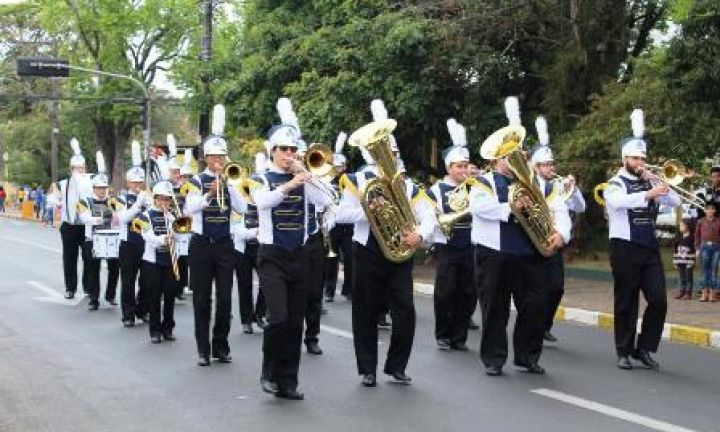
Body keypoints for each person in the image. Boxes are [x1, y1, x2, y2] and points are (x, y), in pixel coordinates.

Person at [335, 99, 437, 388]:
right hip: (367, 251)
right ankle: (367, 368)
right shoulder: (357, 180)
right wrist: (371, 209)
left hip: (401, 253)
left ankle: (397, 366)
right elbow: (342, 215)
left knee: (405, 311)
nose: (389, 158)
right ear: (372, 155)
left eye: (392, 153)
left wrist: (421, 236)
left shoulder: (409, 186)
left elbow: (427, 216)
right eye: (383, 153)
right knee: (365, 311)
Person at [471, 97, 570, 377]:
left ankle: (527, 356)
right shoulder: (483, 182)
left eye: (521, 154)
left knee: (536, 304)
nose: (519, 159)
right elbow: (479, 207)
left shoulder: (540, 184)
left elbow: (559, 209)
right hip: (495, 253)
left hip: (531, 253)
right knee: (495, 307)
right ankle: (494, 358)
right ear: (499, 160)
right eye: (510, 156)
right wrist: (512, 208)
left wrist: (561, 233)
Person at [252, 120, 332, 400]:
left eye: (293, 149)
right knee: (278, 317)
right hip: (272, 256)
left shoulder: (304, 178)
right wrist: (290, 185)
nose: (289, 154)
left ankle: (288, 382)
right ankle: (268, 372)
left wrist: (308, 176)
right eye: (284, 149)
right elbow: (262, 202)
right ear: (273, 151)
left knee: (295, 322)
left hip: (300, 255)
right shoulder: (260, 177)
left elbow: (327, 201)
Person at [605, 109, 681, 371]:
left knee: (659, 300)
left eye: (642, 158)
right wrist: (648, 194)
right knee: (626, 300)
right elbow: (616, 202)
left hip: (649, 248)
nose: (640, 162)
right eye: (635, 158)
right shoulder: (615, 182)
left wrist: (659, 181)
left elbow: (675, 201)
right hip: (624, 246)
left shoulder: (650, 180)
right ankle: (623, 351)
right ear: (624, 158)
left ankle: (644, 347)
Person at [185, 105, 247, 367]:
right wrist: (210, 193)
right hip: (201, 244)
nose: (218, 161)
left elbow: (243, 209)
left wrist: (230, 187)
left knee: (224, 299)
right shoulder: (196, 182)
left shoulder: (232, 179)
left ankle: (221, 345)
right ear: (206, 158)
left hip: (224, 244)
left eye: (221, 156)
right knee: (201, 299)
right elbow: (189, 209)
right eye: (213, 157)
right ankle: (203, 349)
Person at [530, 116, 586, 343]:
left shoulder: (557, 186)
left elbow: (580, 208)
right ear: (535, 166)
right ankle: (532, 327)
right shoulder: (527, 185)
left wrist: (573, 190)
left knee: (556, 288)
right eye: (546, 164)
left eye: (552, 164)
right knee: (533, 292)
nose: (551, 168)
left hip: (553, 243)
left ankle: (544, 325)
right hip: (531, 243)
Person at [426, 118, 475, 351]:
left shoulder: (475, 187)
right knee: (446, 291)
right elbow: (429, 216)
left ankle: (460, 336)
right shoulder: (436, 190)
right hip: (446, 244)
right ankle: (443, 334)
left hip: (471, 244)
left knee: (468, 292)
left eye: (466, 166)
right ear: (448, 168)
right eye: (459, 166)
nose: (464, 170)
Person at [46, 138, 93, 299]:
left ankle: (88, 287)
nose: (79, 171)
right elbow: (51, 199)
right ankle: (70, 288)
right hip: (70, 226)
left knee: (89, 258)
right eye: (76, 168)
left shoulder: (91, 183)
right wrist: (57, 202)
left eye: (82, 168)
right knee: (69, 258)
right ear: (71, 169)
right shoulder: (62, 184)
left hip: (87, 226)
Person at [77, 151, 120, 311]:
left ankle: (110, 295)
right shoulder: (84, 201)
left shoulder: (114, 201)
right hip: (92, 239)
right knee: (93, 269)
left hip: (111, 238)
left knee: (114, 268)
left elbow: (119, 217)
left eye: (104, 188)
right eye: (98, 188)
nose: (102, 191)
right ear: (93, 188)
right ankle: (94, 299)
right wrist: (98, 219)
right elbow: (83, 217)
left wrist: (115, 217)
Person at [136, 181, 178, 343]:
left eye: (167, 199)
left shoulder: (171, 216)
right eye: (161, 199)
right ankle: (155, 331)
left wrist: (176, 234)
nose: (164, 203)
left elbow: (180, 236)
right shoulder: (144, 216)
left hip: (170, 260)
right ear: (154, 199)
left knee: (169, 296)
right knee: (154, 297)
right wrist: (163, 239)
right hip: (151, 262)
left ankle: (168, 329)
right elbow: (147, 236)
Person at [231, 152, 267, 335]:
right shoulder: (239, 205)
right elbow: (236, 230)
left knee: (267, 283)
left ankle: (259, 314)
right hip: (243, 250)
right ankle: (246, 320)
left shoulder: (265, 203)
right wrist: (256, 232)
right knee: (244, 285)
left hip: (262, 249)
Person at [116, 141, 150, 327]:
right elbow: (123, 218)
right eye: (134, 182)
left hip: (146, 243)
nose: (137, 185)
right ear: (128, 182)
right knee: (128, 281)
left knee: (147, 281)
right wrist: (138, 204)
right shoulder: (121, 198)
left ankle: (142, 309)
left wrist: (149, 203)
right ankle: (128, 314)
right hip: (128, 244)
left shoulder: (148, 197)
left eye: (140, 182)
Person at [325, 132, 354, 302]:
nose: (339, 170)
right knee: (331, 258)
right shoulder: (327, 182)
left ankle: (348, 290)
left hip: (349, 225)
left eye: (342, 166)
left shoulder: (351, 181)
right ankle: (329, 290)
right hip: (333, 225)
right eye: (337, 167)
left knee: (350, 259)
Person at [695, 202, 720, 302]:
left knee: (714, 270)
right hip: (704, 247)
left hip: (716, 247)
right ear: (705, 211)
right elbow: (697, 236)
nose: (710, 211)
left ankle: (712, 294)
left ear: (714, 211)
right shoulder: (700, 221)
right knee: (704, 270)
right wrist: (697, 249)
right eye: (708, 209)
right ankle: (704, 293)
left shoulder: (718, 221)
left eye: (712, 209)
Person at [673, 220, 695, 300]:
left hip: (689, 260)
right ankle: (682, 291)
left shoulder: (692, 237)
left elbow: (694, 249)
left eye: (682, 225)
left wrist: (692, 260)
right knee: (682, 276)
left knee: (689, 276)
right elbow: (675, 249)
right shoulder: (678, 236)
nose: (680, 227)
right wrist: (675, 260)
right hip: (680, 260)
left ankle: (688, 293)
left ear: (687, 226)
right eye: (680, 226)